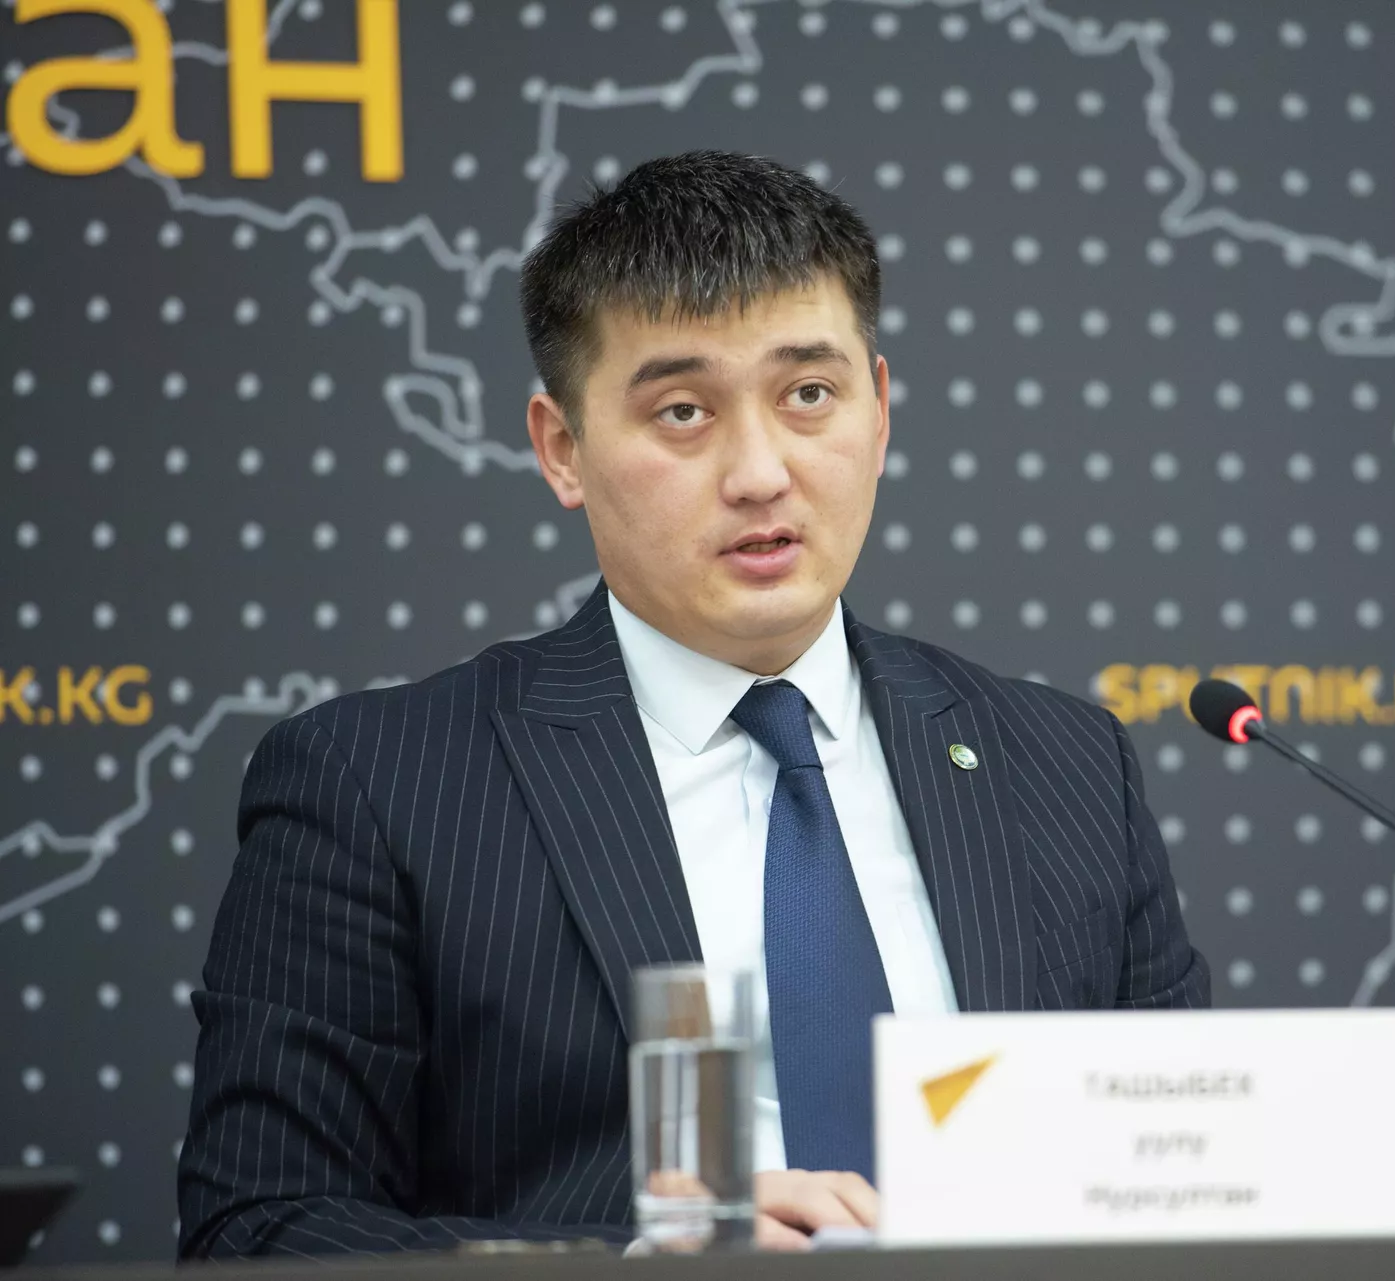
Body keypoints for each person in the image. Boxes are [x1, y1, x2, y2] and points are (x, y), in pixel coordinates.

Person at [177, 150, 1209, 1258]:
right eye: (682, 411)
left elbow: (1195, 1189)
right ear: (563, 449)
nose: (760, 471)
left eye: (809, 395)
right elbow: (258, 1228)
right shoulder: (382, 785)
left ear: (879, 412)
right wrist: (636, 1267)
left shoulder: (1064, 765)